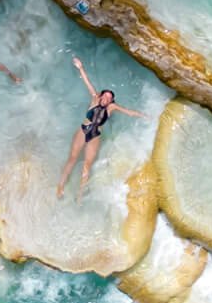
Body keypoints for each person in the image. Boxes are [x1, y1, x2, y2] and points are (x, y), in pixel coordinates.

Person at [56, 56, 147, 199]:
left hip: (95, 136)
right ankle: (60, 186)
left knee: (87, 166)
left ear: (111, 101)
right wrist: (80, 67)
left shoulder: (112, 107)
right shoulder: (94, 98)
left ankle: (80, 195)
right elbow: (87, 82)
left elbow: (128, 112)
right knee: (72, 158)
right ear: (101, 95)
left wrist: (143, 115)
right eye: (105, 96)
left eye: (109, 98)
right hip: (83, 130)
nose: (106, 99)